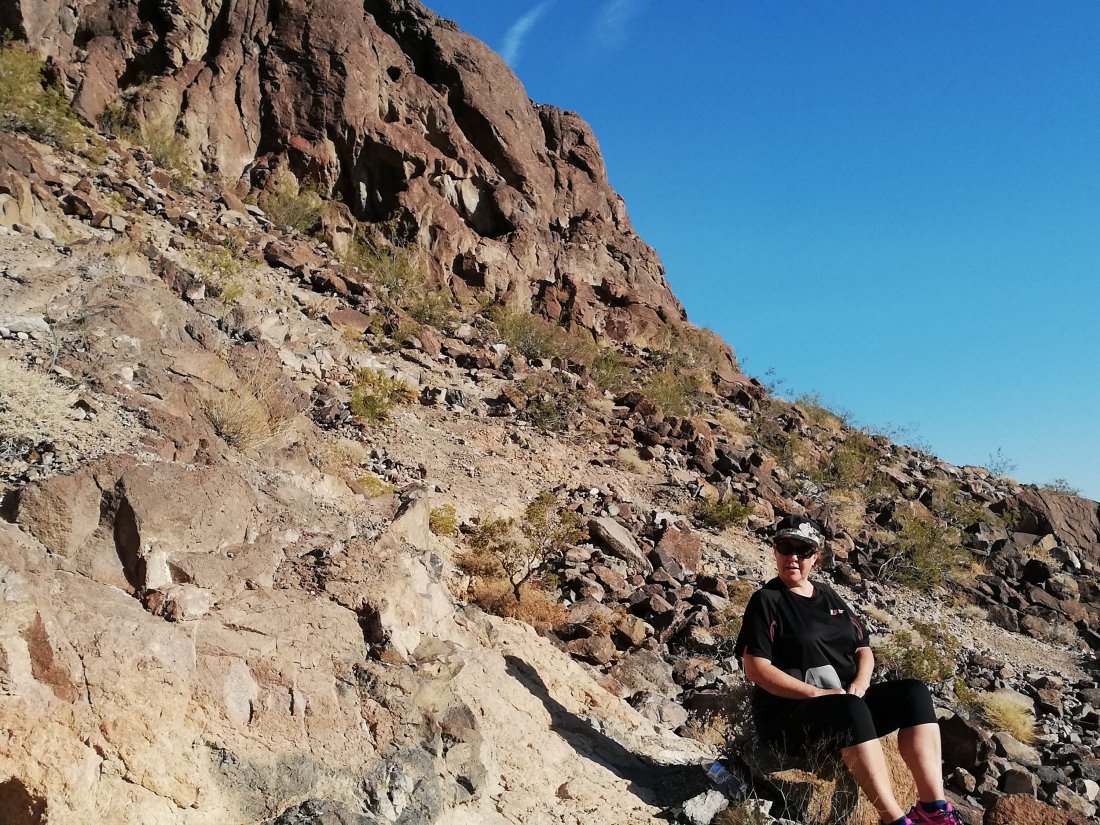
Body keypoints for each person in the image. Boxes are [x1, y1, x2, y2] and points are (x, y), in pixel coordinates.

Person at [734, 515, 963, 825]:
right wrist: (817, 695)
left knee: (914, 693)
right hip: (789, 715)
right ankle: (895, 820)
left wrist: (861, 682)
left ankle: (933, 809)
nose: (793, 557)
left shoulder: (827, 595)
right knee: (849, 709)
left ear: (816, 556)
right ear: (775, 550)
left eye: (803, 550)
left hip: (843, 704)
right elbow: (756, 669)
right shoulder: (767, 600)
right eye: (786, 547)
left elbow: (862, 648)